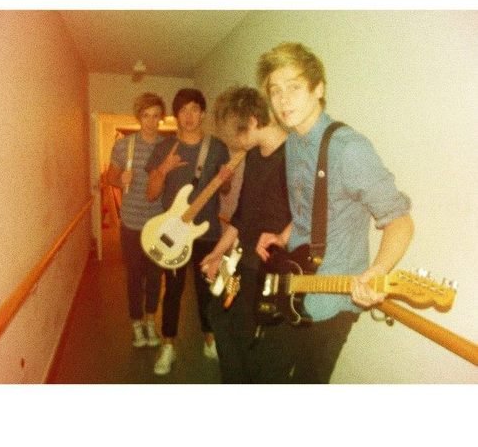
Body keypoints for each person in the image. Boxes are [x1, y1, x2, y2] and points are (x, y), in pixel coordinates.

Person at [255, 42, 415, 383]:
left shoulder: (349, 149)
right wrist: (282, 236)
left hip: (332, 301)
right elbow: (309, 210)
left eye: (294, 87)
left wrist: (378, 271)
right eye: (275, 90)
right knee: (263, 374)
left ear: (318, 89)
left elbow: (400, 220)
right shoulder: (293, 141)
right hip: (293, 284)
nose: (283, 100)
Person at [200, 86, 291, 383]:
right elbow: (241, 215)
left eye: (235, 135)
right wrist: (217, 253)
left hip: (269, 267)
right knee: (218, 314)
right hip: (241, 262)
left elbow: (304, 216)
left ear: (252, 121)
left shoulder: (293, 156)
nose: (234, 143)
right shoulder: (252, 156)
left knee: (249, 343)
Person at [146, 88, 231, 375]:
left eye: (194, 109)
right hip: (173, 233)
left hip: (207, 232)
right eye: (183, 110)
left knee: (208, 291)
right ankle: (168, 345)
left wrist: (226, 180)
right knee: (172, 291)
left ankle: (210, 340)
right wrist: (163, 169)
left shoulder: (217, 148)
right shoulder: (164, 148)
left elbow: (225, 189)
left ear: (203, 113)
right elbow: (151, 194)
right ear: (176, 115)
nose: (189, 116)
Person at [106, 92, 166, 349]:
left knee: (154, 276)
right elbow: (109, 177)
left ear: (161, 118)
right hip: (131, 224)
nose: (151, 121)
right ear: (139, 117)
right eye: (146, 116)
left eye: (155, 116)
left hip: (158, 224)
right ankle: (136, 324)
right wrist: (121, 180)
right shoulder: (124, 146)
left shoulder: (167, 147)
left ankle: (151, 321)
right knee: (134, 276)